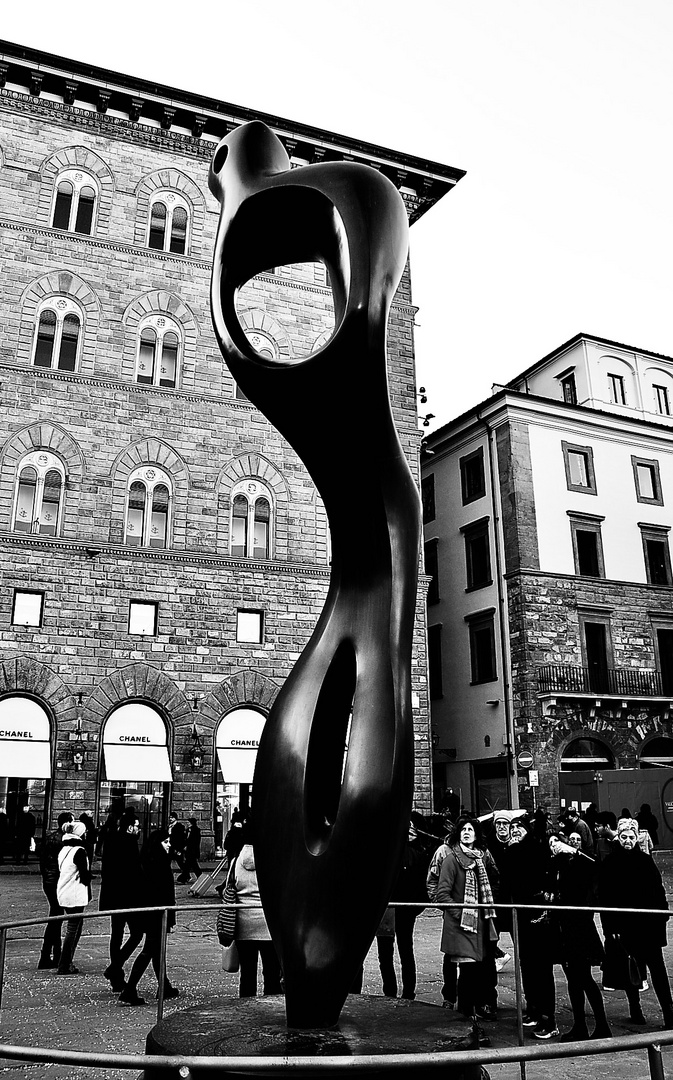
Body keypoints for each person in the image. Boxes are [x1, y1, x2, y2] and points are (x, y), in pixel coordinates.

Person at [598, 817, 673, 1029]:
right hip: (625, 927)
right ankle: (635, 1008)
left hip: (648, 927)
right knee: (631, 968)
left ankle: (668, 1010)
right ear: (619, 838)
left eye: (631, 837)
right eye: (624, 837)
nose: (628, 840)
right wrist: (610, 929)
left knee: (657, 970)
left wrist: (662, 915)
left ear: (636, 837)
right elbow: (605, 898)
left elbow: (658, 891)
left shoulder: (645, 860)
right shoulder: (611, 863)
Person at [435, 815, 498, 1038]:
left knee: (476, 977)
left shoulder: (480, 859)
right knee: (468, 979)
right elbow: (442, 893)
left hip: (480, 926)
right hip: (461, 927)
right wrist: (462, 914)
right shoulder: (452, 859)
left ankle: (469, 1025)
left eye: (471, 829)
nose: (467, 832)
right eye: (463, 829)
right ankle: (467, 1028)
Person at [500, 814, 558, 1038]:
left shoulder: (535, 849)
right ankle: (533, 1007)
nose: (514, 831)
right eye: (512, 828)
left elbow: (537, 874)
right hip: (521, 917)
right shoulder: (512, 851)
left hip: (538, 917)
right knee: (527, 965)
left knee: (541, 968)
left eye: (519, 827)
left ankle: (547, 1016)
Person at [548, 834, 610, 1041]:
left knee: (583, 978)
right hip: (563, 928)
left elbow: (596, 865)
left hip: (580, 928)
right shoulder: (556, 866)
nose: (554, 847)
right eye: (551, 844)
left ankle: (600, 1025)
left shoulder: (580, 864)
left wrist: (573, 851)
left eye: (558, 843)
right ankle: (580, 1025)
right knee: (573, 980)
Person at [119, 831, 180, 1005]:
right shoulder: (157, 863)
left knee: (157, 951)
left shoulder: (150, 860)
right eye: (166, 841)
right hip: (157, 913)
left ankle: (164, 985)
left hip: (155, 912)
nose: (169, 844)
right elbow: (162, 892)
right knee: (150, 950)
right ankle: (129, 989)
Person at [231, 822, 282, 997]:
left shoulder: (235, 862)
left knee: (247, 974)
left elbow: (229, 889)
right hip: (267, 925)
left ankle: (246, 1009)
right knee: (271, 973)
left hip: (243, 925)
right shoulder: (271, 861)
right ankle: (270, 1008)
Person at [99, 808, 145, 992]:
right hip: (128, 896)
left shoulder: (110, 840)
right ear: (128, 828)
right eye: (136, 826)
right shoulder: (130, 843)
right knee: (137, 933)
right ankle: (115, 968)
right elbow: (134, 872)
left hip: (112, 894)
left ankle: (116, 977)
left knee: (116, 934)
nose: (138, 829)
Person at [37, 811, 73, 969]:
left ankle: (50, 954)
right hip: (57, 881)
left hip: (49, 881)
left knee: (55, 916)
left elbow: (42, 860)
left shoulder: (50, 837)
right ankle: (50, 955)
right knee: (56, 918)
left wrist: (46, 876)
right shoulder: (63, 840)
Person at [56, 821, 92, 975]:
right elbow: (84, 875)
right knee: (73, 928)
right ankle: (64, 963)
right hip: (75, 893)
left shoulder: (64, 849)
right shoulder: (79, 850)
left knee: (74, 926)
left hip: (64, 890)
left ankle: (66, 960)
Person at [178, 817, 202, 884]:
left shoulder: (196, 830)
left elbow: (195, 841)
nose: (187, 824)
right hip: (188, 851)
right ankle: (199, 877)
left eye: (188, 822)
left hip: (192, 850)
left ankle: (184, 878)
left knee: (189, 866)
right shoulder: (188, 830)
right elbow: (185, 839)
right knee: (192, 865)